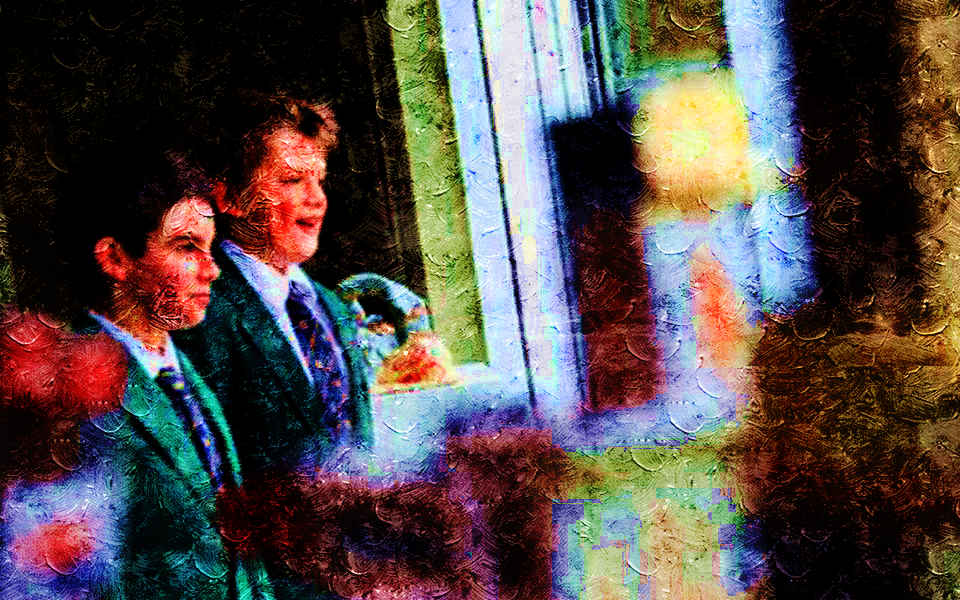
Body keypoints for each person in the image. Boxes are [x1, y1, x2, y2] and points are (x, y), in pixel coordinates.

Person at [0, 143, 277, 599]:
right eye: (186, 247)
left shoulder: (189, 374)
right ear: (115, 259)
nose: (212, 271)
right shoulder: (74, 394)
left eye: (209, 248)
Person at [175, 94, 373, 482]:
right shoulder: (204, 313)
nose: (317, 199)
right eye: (292, 180)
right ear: (231, 197)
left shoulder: (332, 308)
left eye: (319, 179)